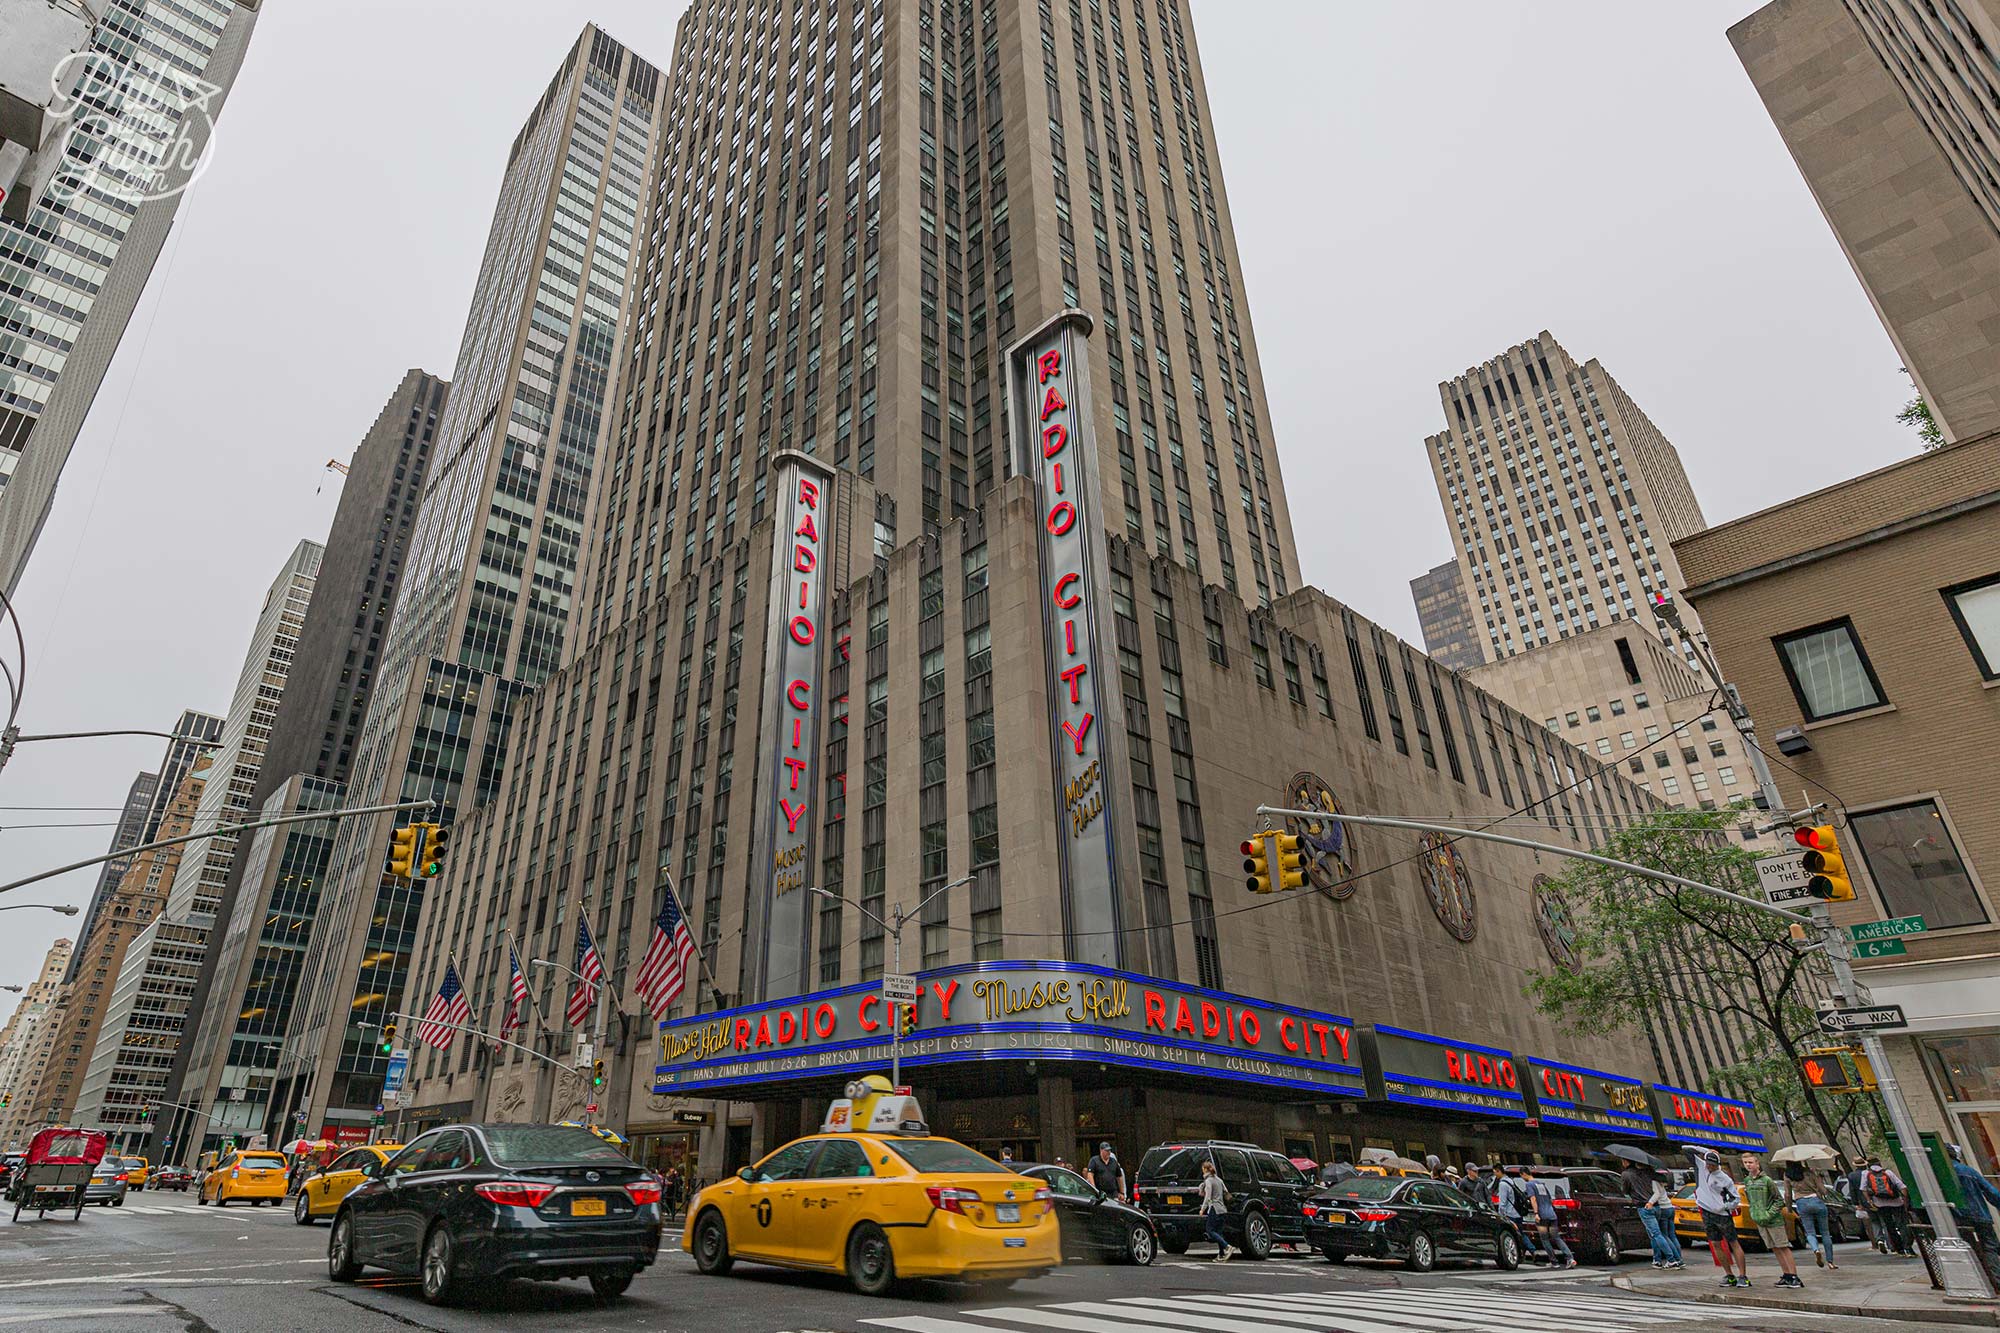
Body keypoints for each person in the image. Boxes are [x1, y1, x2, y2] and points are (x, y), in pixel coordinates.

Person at [1689, 1147, 1749, 1288]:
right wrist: (1705, 1150)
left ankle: (1742, 1275)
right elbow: (1686, 1149)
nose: (1709, 1167)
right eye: (1708, 1164)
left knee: (1733, 1242)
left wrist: (1724, 1207)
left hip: (1721, 1214)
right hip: (1706, 1211)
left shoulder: (1724, 1178)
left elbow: (1735, 1198)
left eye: (1712, 1165)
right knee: (1716, 1243)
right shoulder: (1701, 1168)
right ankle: (1729, 1274)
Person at [1741, 1154, 1802, 1288]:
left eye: (1750, 1162)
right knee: (1774, 1247)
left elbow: (1779, 1200)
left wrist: (1769, 1213)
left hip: (1773, 1220)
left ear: (1757, 1164)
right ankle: (1786, 1274)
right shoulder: (1747, 1181)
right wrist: (1754, 1213)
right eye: (1745, 1163)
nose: (1748, 1165)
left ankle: (1794, 1275)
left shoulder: (1767, 1180)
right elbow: (1750, 1200)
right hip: (1759, 1219)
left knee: (1783, 1246)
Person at [1947, 1144, 2000, 1280]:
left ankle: (1977, 1277)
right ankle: (1996, 1278)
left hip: (1957, 1218)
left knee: (1967, 1247)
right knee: (1990, 1247)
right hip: (1979, 1214)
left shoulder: (1938, 1174)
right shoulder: (1967, 1171)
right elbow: (1992, 1192)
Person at [1860, 1155, 1914, 1256]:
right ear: (1879, 1162)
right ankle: (1908, 1248)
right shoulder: (1888, 1172)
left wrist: (1869, 1201)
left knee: (1889, 1226)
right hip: (1896, 1202)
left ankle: (1899, 1249)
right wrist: (1905, 1200)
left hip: (1880, 1204)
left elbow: (1863, 1189)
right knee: (1902, 1224)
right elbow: (1902, 1187)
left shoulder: (1866, 1174)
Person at [1789, 1161, 1837, 1272]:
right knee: (1825, 1232)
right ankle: (1830, 1262)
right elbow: (1824, 1191)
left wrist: (1789, 1208)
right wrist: (1818, 1179)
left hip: (1801, 1203)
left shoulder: (1788, 1176)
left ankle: (1816, 1250)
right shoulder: (1810, 1173)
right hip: (1817, 1201)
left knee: (1810, 1232)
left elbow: (1787, 1194)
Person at [1524, 1170, 1578, 1268]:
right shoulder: (1541, 1184)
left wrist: (1536, 1213)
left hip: (1542, 1216)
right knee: (1556, 1237)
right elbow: (1549, 1199)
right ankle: (1570, 1258)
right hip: (1551, 1214)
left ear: (1523, 1174)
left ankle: (1554, 1262)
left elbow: (1533, 1199)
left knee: (1545, 1239)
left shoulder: (1529, 1185)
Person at [1495, 1165, 1542, 1262]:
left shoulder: (1503, 1184)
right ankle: (1527, 1253)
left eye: (1495, 1172)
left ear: (1499, 1171)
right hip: (1518, 1212)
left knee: (1514, 1235)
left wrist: (1500, 1214)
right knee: (1521, 1233)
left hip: (1510, 1213)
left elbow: (1502, 1202)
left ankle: (1530, 1251)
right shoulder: (1510, 1181)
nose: (1495, 1174)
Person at [1645, 1169, 1685, 1269]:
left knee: (1663, 1235)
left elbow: (1657, 1194)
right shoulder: (1660, 1182)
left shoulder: (1653, 1182)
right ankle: (1679, 1259)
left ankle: (1674, 1259)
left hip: (1663, 1208)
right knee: (1672, 1236)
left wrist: (1650, 1202)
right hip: (1670, 1207)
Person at [1198, 1158, 1232, 1262]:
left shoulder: (1208, 1181)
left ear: (1205, 1169)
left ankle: (1227, 1247)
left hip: (1214, 1208)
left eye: (1203, 1169)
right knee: (1219, 1232)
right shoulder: (1219, 1180)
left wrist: (1202, 1209)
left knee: (1210, 1230)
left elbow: (1207, 1196)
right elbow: (1226, 1192)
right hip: (1222, 1208)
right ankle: (1221, 1254)